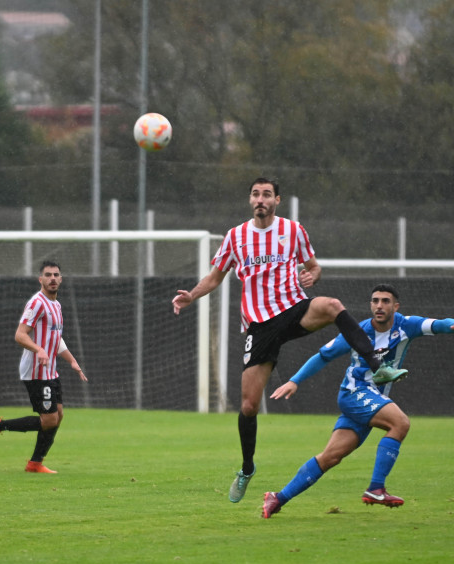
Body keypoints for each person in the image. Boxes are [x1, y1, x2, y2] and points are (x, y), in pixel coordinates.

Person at [172, 177, 408, 503]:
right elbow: (215, 276)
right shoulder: (236, 237)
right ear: (250, 200)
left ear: (277, 200)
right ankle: (247, 467)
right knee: (249, 405)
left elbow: (314, 267)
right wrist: (191, 296)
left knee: (333, 306)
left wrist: (314, 275)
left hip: (294, 309)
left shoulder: (293, 231)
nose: (260, 199)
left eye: (266, 194)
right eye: (255, 194)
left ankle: (377, 366)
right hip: (260, 327)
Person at [261, 284, 454, 518]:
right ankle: (376, 488)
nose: (379, 306)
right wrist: (295, 381)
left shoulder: (406, 325)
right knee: (400, 423)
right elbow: (323, 355)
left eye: (385, 301)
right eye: (375, 301)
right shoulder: (358, 331)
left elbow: (435, 325)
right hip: (355, 393)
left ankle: (278, 498)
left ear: (396, 306)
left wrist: (453, 326)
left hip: (371, 399)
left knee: (330, 457)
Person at [0, 260, 87, 473]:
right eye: (48, 275)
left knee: (58, 416)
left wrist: (72, 360)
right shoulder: (37, 303)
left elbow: (56, 338)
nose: (53, 278)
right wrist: (38, 350)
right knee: (49, 420)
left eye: (56, 275)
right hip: (36, 371)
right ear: (41, 279)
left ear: (61, 279)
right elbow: (20, 335)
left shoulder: (56, 305)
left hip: (50, 369)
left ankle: (35, 463)